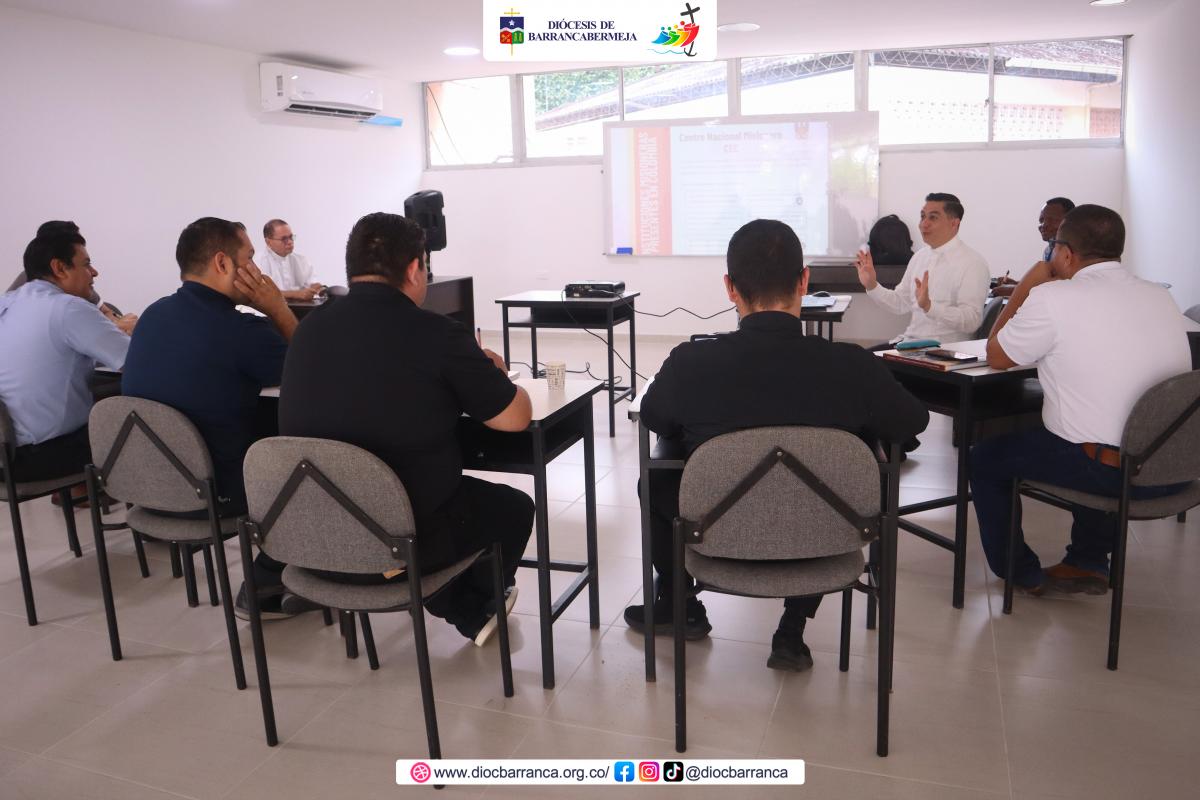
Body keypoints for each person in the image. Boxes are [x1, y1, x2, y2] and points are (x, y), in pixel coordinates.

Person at [623, 219, 929, 672]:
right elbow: (912, 422)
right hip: (825, 535)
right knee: (836, 479)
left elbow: (654, 418)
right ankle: (792, 627)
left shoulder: (691, 364)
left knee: (656, 480)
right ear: (804, 281)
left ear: (730, 287)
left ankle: (679, 604)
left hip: (716, 531)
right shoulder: (853, 367)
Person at [278, 212, 535, 646]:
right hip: (396, 543)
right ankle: (469, 606)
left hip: (311, 537)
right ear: (416, 268)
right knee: (512, 509)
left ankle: (463, 606)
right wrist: (492, 372)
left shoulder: (308, 330)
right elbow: (515, 418)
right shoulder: (436, 332)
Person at [971, 204, 1190, 594]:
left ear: (1066, 253)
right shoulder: (1161, 296)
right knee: (1088, 426)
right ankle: (1087, 561)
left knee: (986, 458)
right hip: (1176, 467)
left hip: (1118, 474)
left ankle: (1019, 571)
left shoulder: (1054, 297)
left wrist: (1027, 285)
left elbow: (997, 355)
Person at [121, 217, 305, 617]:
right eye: (249, 259)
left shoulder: (152, 316)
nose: (256, 271)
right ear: (222, 263)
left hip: (146, 485)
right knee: (309, 459)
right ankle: (266, 582)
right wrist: (277, 307)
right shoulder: (239, 329)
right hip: (210, 491)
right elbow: (310, 371)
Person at [0, 229, 129, 483]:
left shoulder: (8, 303)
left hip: (6, 456)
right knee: (145, 422)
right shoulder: (67, 308)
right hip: (43, 456)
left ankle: (87, 493)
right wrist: (142, 330)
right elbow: (139, 363)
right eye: (86, 264)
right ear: (59, 268)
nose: (94, 272)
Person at [856, 193, 991, 345]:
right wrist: (872, 285)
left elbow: (972, 321)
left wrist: (930, 307)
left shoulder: (973, 263)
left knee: (854, 358)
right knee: (851, 355)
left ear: (954, 223)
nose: (923, 224)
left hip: (943, 350)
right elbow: (900, 303)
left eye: (933, 217)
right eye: (922, 216)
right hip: (909, 344)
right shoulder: (919, 257)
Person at [8, 221, 138, 334]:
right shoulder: (29, 286)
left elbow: (106, 312)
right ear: (59, 267)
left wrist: (117, 324)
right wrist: (114, 329)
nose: (94, 272)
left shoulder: (78, 284)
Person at [993, 197, 1075, 298]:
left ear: (1069, 222)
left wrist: (1014, 289)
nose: (1044, 225)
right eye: (1041, 220)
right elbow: (1045, 282)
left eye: (1052, 220)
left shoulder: (1073, 252)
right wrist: (1017, 284)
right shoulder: (1050, 249)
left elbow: (1057, 287)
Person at [260, 219, 322, 302]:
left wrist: (316, 287)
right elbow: (263, 293)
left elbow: (313, 283)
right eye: (284, 239)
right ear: (268, 242)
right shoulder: (259, 262)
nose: (290, 242)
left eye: (291, 237)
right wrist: (295, 294)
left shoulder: (300, 260)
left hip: (302, 306)